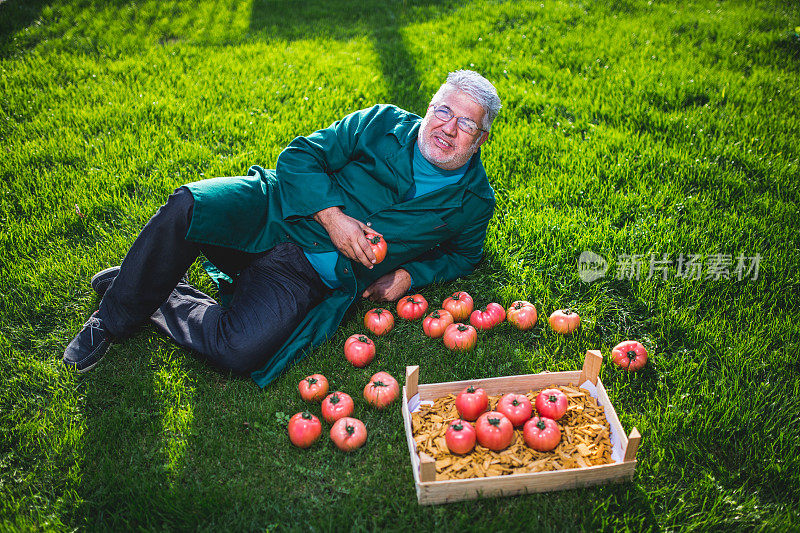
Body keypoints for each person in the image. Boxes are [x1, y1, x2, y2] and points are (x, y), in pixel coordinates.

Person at [63, 69, 501, 387]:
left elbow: (464, 255)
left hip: (304, 273)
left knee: (238, 349)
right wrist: (333, 218)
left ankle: (149, 288)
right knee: (190, 205)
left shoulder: (473, 201)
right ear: (429, 107)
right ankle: (114, 318)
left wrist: (409, 275)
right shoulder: (382, 122)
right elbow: (299, 156)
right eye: (443, 110)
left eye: (466, 123)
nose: (448, 127)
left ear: (481, 139)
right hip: (278, 210)